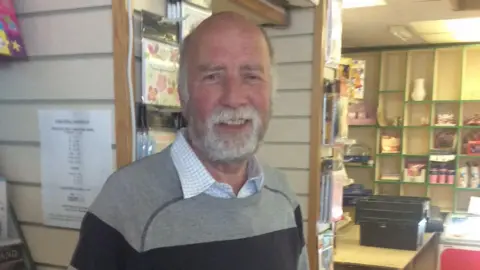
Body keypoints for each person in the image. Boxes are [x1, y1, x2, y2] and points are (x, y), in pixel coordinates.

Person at [69, 11, 309, 270]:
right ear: (183, 95)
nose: (234, 97)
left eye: (251, 76)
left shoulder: (283, 197)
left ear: (271, 93)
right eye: (213, 76)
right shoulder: (125, 200)